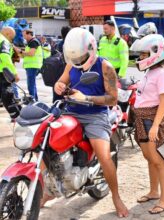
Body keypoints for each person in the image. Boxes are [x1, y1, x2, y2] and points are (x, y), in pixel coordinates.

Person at [51, 27, 129, 217]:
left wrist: (87, 99)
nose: (78, 63)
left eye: (81, 59)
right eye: (74, 60)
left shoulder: (105, 67)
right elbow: (60, 82)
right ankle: (47, 191)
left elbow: (113, 99)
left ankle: (116, 198)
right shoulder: (71, 64)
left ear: (91, 50)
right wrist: (59, 86)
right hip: (72, 112)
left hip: (96, 115)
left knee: (104, 156)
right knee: (50, 144)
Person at [130, 34, 164, 214]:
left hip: (152, 120)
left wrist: (156, 126)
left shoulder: (163, 74)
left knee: (159, 161)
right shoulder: (150, 71)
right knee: (150, 159)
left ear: (156, 53)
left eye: (144, 53)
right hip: (142, 119)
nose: (141, 57)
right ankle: (153, 192)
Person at [0, 27, 21, 121]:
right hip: (2, 73)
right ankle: (16, 116)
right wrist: (14, 73)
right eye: (12, 38)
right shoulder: (4, 41)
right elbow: (5, 56)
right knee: (7, 95)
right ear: (8, 34)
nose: (11, 40)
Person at [20, 29, 43, 101]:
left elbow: (31, 53)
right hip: (31, 66)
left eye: (24, 35)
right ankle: (35, 100)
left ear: (29, 34)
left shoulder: (33, 42)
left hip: (33, 66)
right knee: (32, 85)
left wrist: (21, 51)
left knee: (31, 85)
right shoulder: (30, 42)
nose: (23, 37)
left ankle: (32, 101)